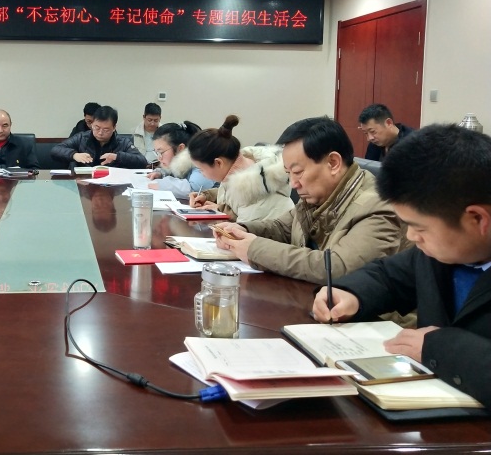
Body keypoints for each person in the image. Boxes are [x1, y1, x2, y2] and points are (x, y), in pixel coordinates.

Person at [311, 124, 491, 409]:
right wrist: (351, 293)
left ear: (478, 219)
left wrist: (439, 347)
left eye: (420, 227)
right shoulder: (438, 253)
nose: (411, 236)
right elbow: (388, 276)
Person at [213, 116, 402, 284]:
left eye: (298, 172)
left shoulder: (377, 206)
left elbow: (338, 267)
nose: (293, 183)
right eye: (288, 173)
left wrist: (254, 249)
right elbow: (281, 228)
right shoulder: (317, 196)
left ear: (333, 163)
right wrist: (242, 230)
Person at [186, 115, 294, 223]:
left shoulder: (255, 188)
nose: (202, 174)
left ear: (218, 163)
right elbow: (231, 192)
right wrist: (207, 195)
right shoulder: (241, 171)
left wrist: (221, 210)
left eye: (201, 169)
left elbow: (246, 228)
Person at [52, 105, 148, 170]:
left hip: (111, 185)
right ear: (92, 124)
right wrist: (74, 155)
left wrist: (117, 157)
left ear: (114, 127)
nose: (100, 133)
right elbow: (56, 150)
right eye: (97, 128)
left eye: (106, 129)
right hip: (83, 183)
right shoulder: (82, 138)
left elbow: (142, 161)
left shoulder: (123, 142)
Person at [146, 121, 216, 199]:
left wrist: (162, 185)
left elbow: (195, 190)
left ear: (180, 148)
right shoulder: (180, 161)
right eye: (157, 153)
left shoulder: (201, 159)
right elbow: (173, 171)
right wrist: (161, 173)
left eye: (161, 152)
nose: (159, 158)